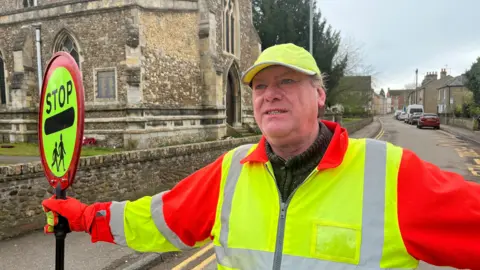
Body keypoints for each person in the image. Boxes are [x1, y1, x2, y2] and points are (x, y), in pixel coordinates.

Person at [42, 43, 480, 270]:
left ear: (320, 95)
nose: (270, 95)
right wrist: (83, 217)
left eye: (287, 82)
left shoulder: (388, 172)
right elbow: (158, 218)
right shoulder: (233, 169)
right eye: (259, 87)